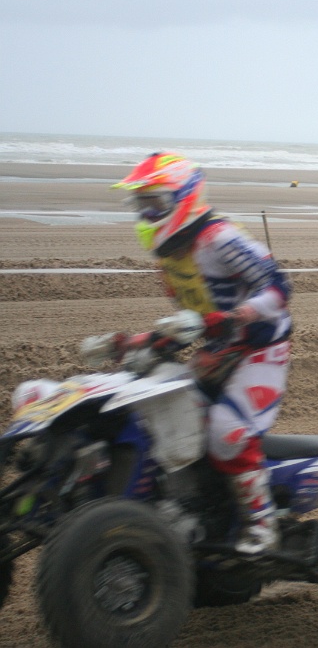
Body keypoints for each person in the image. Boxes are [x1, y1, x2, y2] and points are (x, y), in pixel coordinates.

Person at [113, 152, 292, 554]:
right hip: (218, 348)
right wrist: (144, 340)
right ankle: (187, 508)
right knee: (162, 415)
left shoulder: (218, 239)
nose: (147, 212)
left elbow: (280, 288)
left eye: (155, 202)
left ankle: (261, 526)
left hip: (261, 347)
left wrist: (239, 315)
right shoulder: (171, 256)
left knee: (226, 432)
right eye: (141, 204)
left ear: (185, 198)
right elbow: (193, 319)